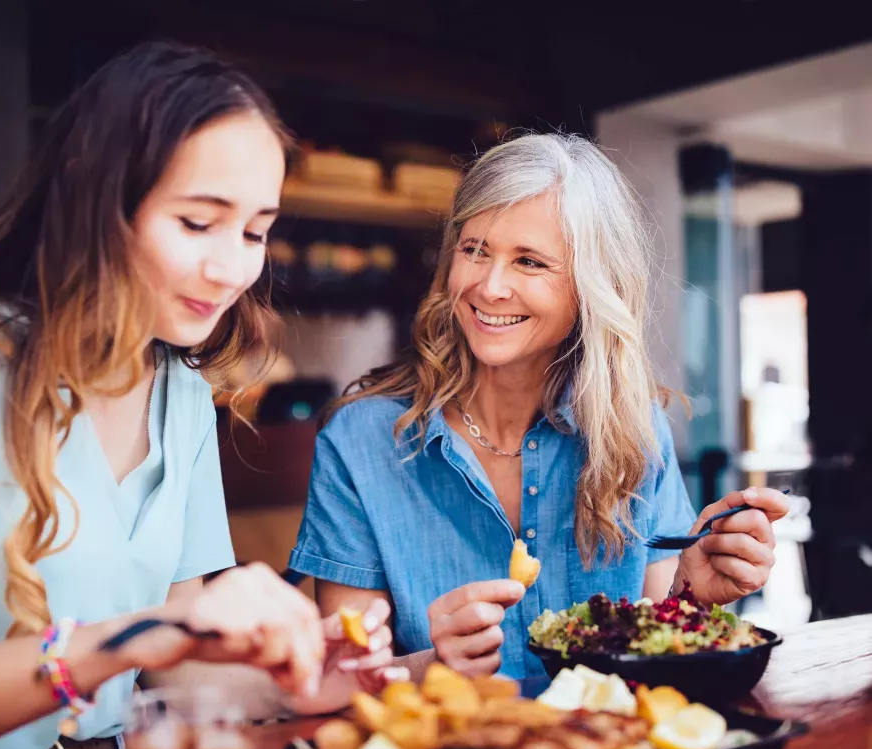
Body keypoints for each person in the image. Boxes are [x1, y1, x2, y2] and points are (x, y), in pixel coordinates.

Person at [0, 42, 403, 749]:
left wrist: (289, 675)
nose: (231, 268)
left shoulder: (181, 395)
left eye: (254, 232)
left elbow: (171, 664)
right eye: (196, 223)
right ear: (95, 197)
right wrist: (124, 639)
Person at [287, 133, 790, 681]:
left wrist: (691, 596)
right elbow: (340, 679)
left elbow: (651, 654)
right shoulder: (360, 442)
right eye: (474, 249)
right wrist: (434, 665)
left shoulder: (635, 432)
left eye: (529, 261)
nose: (489, 286)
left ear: (591, 287)